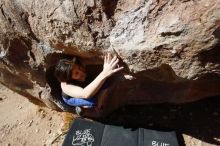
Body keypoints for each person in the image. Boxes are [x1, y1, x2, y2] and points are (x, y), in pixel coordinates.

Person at [54, 54, 124, 112]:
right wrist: (104, 73)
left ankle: (98, 106)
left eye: (79, 67)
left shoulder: (79, 65)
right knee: (93, 101)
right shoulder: (66, 86)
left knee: (105, 83)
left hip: (82, 87)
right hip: (71, 98)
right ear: (69, 77)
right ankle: (81, 108)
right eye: (76, 73)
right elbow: (85, 94)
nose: (81, 72)